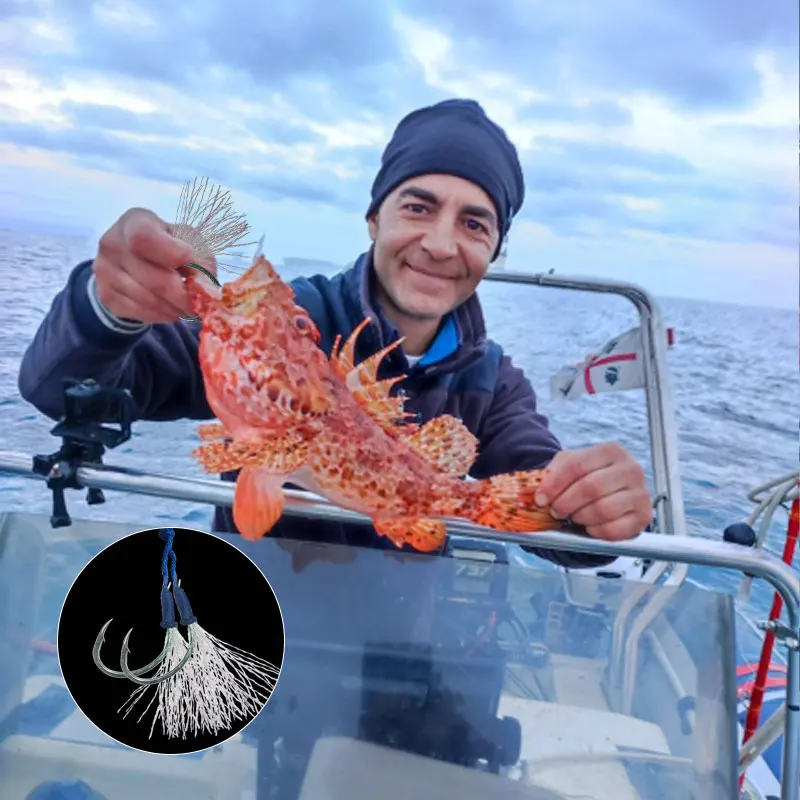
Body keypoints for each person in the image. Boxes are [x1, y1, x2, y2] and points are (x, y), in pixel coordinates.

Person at [17, 98, 652, 569]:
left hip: (411, 642)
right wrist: (110, 307)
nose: (439, 243)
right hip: (261, 615)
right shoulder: (295, 325)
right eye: (418, 206)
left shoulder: (495, 384)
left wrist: (591, 507)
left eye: (475, 224)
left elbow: (538, 492)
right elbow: (63, 389)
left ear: (494, 251)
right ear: (374, 219)